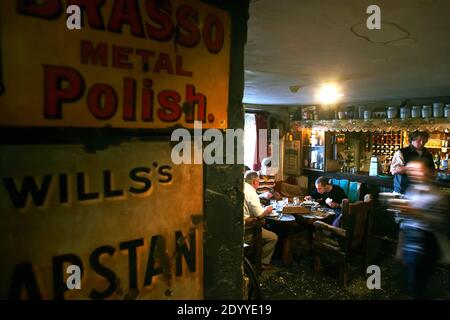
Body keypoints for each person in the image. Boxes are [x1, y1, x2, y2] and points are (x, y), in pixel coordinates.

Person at [390, 159, 449, 299]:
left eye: (418, 170)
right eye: (411, 171)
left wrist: (416, 213)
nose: (414, 174)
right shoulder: (411, 190)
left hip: (426, 243)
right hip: (410, 241)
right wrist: (400, 248)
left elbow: (442, 224)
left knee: (417, 283)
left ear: (428, 173)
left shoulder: (437, 196)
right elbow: (405, 222)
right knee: (411, 282)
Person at [244, 170, 278, 269]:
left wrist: (261, 196)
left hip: (236, 227)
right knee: (273, 237)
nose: (259, 183)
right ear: (255, 182)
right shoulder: (251, 192)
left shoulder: (243, 187)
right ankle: (260, 262)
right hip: (247, 230)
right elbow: (259, 214)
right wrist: (267, 211)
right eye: (258, 181)